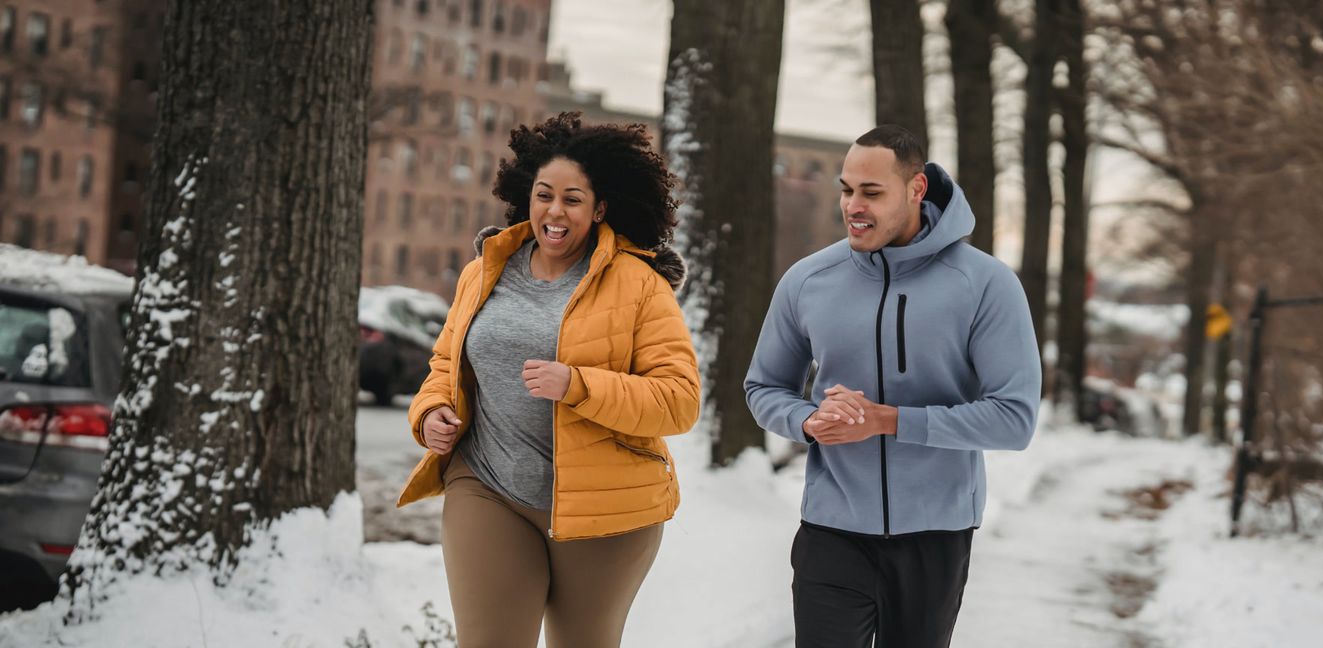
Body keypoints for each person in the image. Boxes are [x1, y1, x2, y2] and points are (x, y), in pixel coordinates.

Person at [396, 112, 700, 648]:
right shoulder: (486, 269)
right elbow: (445, 364)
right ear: (526, 197)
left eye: (573, 199)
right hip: (488, 484)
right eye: (544, 195)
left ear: (600, 208)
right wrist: (431, 412)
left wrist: (579, 386)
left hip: (604, 511)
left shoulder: (640, 285)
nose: (554, 212)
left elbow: (679, 401)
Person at [745, 124, 1042, 647]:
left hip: (935, 535)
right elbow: (764, 387)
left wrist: (891, 421)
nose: (853, 206)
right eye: (847, 189)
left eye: (872, 192)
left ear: (916, 190)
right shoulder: (808, 280)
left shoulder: (985, 285)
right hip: (832, 529)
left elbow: (1014, 419)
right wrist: (807, 421)